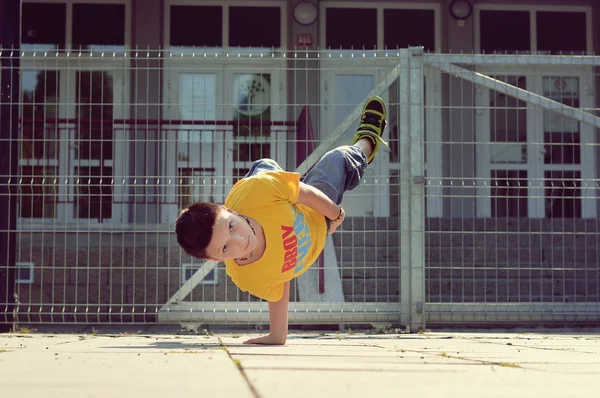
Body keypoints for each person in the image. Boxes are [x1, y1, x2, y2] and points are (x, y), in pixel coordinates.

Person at [175, 96, 388, 345]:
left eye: (231, 226)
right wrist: (277, 335)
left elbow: (305, 192)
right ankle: (273, 175)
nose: (240, 241)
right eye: (225, 248)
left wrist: (335, 214)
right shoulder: (245, 277)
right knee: (271, 178)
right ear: (215, 259)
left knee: (338, 158)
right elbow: (279, 280)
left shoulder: (257, 191)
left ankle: (366, 141)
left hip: (311, 210)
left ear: (228, 209)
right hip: (304, 222)